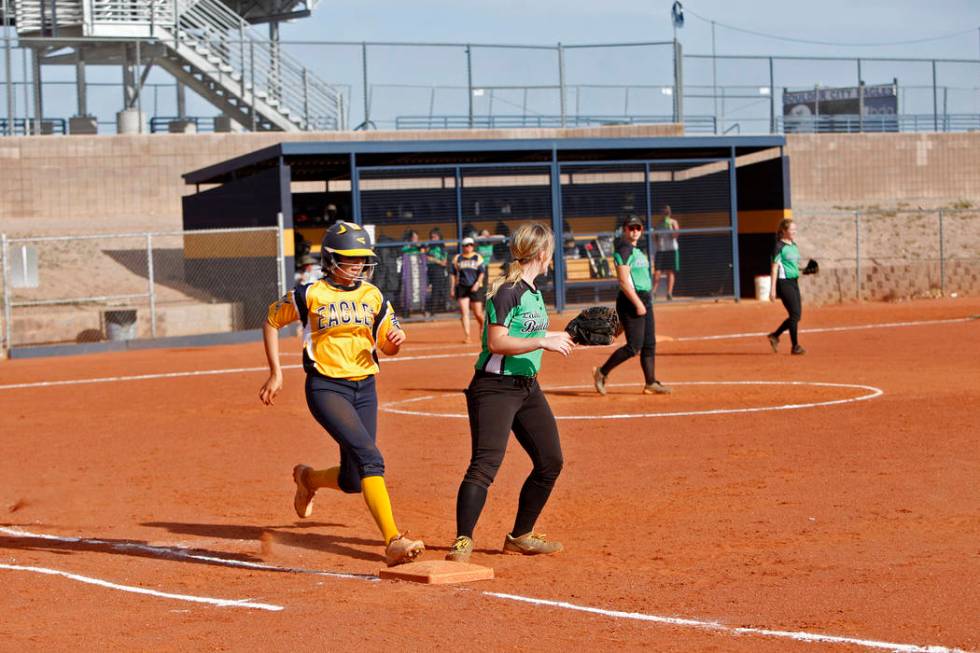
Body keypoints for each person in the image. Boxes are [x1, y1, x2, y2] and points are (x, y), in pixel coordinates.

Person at [259, 220, 425, 567]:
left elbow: (386, 345)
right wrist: (276, 372)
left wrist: (395, 343)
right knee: (371, 458)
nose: (358, 266)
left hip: (365, 386)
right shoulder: (310, 294)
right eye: (350, 259)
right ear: (331, 259)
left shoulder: (373, 296)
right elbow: (272, 320)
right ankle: (393, 540)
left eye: (362, 259)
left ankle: (307, 479)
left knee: (353, 479)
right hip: (326, 386)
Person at [445, 223, 575, 564]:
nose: (552, 258)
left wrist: (561, 336)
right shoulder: (507, 290)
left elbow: (530, 334)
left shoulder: (533, 292)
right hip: (494, 389)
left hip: (527, 386)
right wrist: (542, 341)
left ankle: (520, 536)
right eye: (551, 251)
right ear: (542, 253)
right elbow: (496, 342)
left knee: (551, 461)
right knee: (485, 465)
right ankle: (462, 540)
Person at [593, 215, 671, 396]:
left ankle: (650, 383)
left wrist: (645, 301)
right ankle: (601, 372)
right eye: (631, 228)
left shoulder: (637, 250)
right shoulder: (624, 249)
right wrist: (637, 303)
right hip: (631, 301)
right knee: (634, 346)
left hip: (645, 299)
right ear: (624, 229)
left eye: (638, 228)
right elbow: (623, 280)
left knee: (649, 344)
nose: (635, 231)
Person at [767, 218, 806, 355]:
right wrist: (772, 290)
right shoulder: (779, 246)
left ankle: (775, 335)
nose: (794, 231)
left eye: (795, 229)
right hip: (783, 284)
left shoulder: (793, 245)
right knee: (795, 315)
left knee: (796, 316)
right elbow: (774, 268)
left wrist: (805, 270)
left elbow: (794, 266)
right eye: (791, 229)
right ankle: (795, 346)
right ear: (784, 231)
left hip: (794, 283)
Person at [450, 237, 486, 343]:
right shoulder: (458, 258)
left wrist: (477, 283)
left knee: (478, 313)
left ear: (473, 246)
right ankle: (467, 336)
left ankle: (483, 327)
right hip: (462, 286)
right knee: (464, 313)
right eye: (466, 245)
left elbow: (482, 273)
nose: (469, 247)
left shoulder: (477, 257)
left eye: (470, 245)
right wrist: (452, 288)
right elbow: (453, 274)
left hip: (475, 287)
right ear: (463, 247)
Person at [653, 205, 680, 301]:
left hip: (671, 250)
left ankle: (669, 293)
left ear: (669, 213)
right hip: (661, 250)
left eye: (666, 213)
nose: (665, 215)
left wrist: (671, 227)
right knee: (657, 272)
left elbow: (675, 236)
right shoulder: (658, 224)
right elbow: (655, 238)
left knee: (670, 271)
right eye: (663, 213)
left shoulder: (673, 222)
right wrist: (656, 238)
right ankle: (654, 293)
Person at [425, 228, 449, 315]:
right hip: (429, 270)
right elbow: (426, 257)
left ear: (439, 237)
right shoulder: (429, 247)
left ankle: (433, 311)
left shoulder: (442, 247)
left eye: (434, 237)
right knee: (427, 289)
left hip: (438, 270)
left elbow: (444, 262)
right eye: (431, 237)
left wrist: (433, 259)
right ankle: (430, 309)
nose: (432, 239)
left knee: (436, 290)